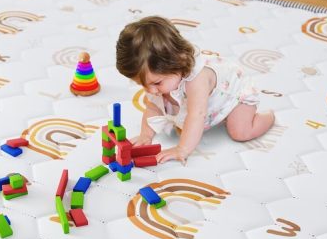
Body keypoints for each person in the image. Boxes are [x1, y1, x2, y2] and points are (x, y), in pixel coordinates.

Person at [116, 16, 275, 164]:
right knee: (166, 107)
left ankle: (269, 117)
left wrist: (182, 149)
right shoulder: (159, 79)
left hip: (234, 94)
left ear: (178, 61)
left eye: (156, 83)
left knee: (240, 132)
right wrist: (146, 135)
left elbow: (197, 115)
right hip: (208, 93)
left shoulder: (197, 80)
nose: (150, 90)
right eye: (142, 85)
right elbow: (152, 107)